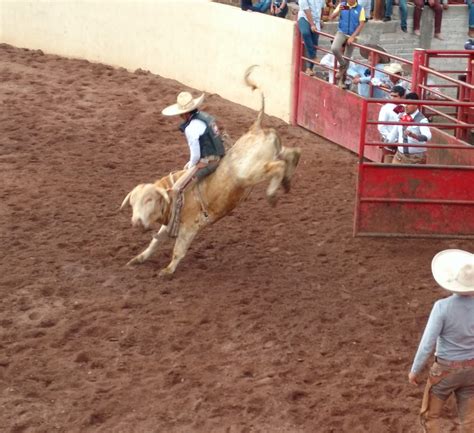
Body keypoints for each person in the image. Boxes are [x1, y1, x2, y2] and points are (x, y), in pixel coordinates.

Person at [408, 249, 474, 432]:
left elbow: (427, 343)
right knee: (469, 420)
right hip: (472, 369)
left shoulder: (442, 307)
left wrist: (415, 370)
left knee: (430, 415)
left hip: (445, 370)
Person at [162, 91, 225, 237]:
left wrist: (191, 165)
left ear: (183, 114)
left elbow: (195, 154)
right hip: (219, 154)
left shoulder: (191, 128)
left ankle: (174, 226)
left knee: (178, 188)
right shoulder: (205, 117)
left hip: (210, 160)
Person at [329, 0, 366, 88]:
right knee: (334, 48)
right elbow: (331, 17)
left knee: (347, 57)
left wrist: (353, 36)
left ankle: (342, 81)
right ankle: (342, 64)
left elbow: (361, 24)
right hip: (342, 32)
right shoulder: (343, 6)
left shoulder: (360, 9)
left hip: (353, 35)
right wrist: (338, 10)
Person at [389, 92, 431, 164]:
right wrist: (387, 141)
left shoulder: (422, 119)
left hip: (415, 158)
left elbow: (428, 136)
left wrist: (414, 135)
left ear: (416, 105)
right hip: (399, 156)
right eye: (405, 104)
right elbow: (394, 132)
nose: (406, 106)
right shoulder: (402, 115)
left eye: (408, 104)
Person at [377, 85, 406, 163]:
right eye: (391, 96)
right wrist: (391, 139)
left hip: (401, 141)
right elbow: (381, 127)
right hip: (390, 141)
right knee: (388, 164)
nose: (392, 98)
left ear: (402, 96)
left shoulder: (406, 107)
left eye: (395, 96)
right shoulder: (386, 108)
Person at [298, 0, 325, 75]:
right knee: (305, 33)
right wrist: (312, 24)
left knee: (314, 44)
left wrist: (321, 20)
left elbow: (322, 8)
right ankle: (313, 56)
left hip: (316, 20)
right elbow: (306, 10)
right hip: (304, 18)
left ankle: (309, 68)